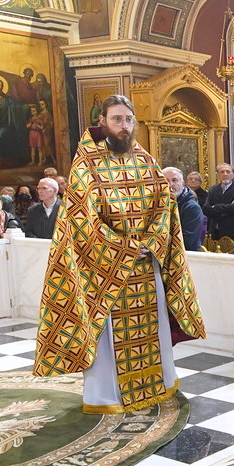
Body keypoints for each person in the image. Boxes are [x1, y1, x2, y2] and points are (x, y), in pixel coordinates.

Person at [34, 94, 204, 413]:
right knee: (108, 339)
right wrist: (124, 247)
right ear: (103, 121)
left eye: (128, 119)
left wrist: (151, 240)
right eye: (116, 119)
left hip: (146, 265)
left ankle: (156, 385)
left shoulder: (145, 161)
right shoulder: (87, 164)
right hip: (105, 271)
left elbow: (164, 206)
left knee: (152, 330)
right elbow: (81, 217)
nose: (124, 126)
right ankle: (108, 397)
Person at [203, 162, 234, 244]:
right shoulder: (213, 189)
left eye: (228, 172)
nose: (225, 174)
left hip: (232, 230)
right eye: (222, 172)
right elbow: (206, 208)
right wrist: (228, 207)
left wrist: (215, 207)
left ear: (233, 174)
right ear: (218, 175)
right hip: (215, 231)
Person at [162, 167, 203, 253]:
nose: (170, 184)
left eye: (175, 180)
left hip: (186, 255)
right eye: (166, 181)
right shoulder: (158, 204)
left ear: (183, 184)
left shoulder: (192, 208)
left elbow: (188, 241)